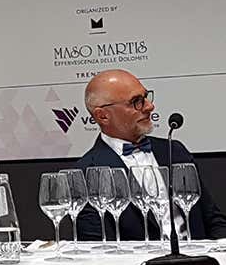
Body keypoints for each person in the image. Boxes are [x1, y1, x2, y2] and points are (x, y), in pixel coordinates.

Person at [75, 69, 226, 241]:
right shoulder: (87, 173)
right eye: (136, 102)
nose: (149, 106)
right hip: (138, 259)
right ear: (102, 116)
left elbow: (213, 219)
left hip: (196, 255)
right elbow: (97, 246)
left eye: (146, 97)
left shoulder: (174, 150)